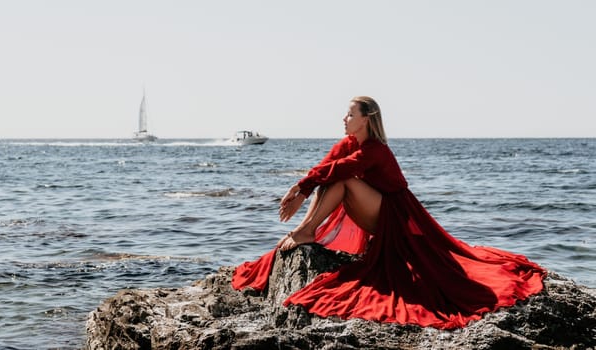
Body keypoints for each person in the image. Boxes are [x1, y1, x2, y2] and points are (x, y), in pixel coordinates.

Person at [232, 96, 545, 329]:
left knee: (344, 178)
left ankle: (307, 230)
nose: (344, 118)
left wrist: (302, 188)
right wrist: (302, 188)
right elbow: (325, 168)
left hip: (394, 216)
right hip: (375, 210)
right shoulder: (348, 143)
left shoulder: (375, 150)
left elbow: (342, 170)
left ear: (366, 118)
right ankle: (306, 229)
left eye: (350, 114)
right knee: (334, 176)